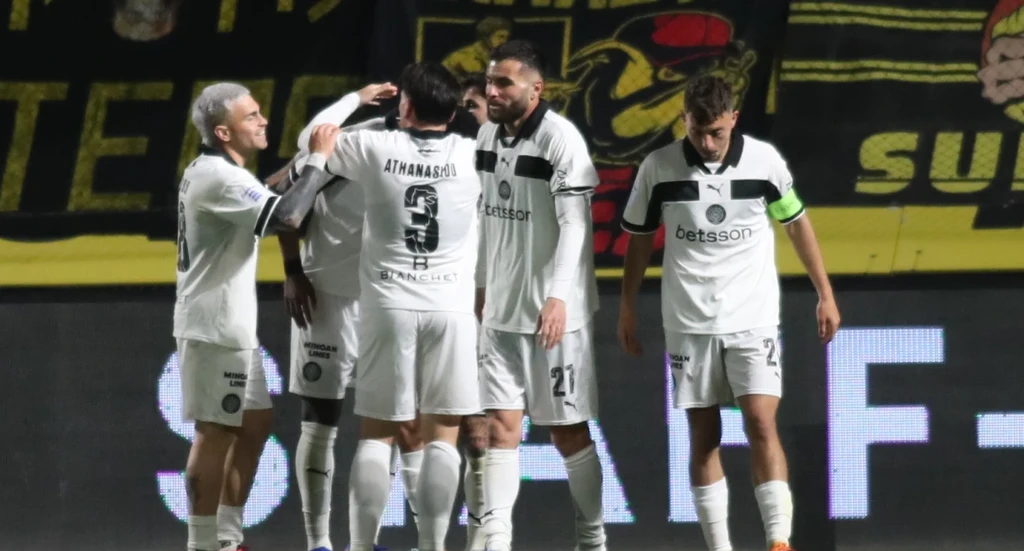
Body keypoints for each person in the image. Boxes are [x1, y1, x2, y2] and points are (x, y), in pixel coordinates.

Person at [616, 74, 842, 551]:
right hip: (688, 320)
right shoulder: (658, 167)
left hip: (752, 316)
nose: (707, 142)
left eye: (716, 132)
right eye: (698, 131)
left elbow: (796, 224)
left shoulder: (764, 162)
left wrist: (825, 292)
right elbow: (639, 239)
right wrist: (627, 306)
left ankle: (778, 541)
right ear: (684, 120)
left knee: (760, 421)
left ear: (734, 119)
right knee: (704, 435)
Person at [320, 61, 482, 551]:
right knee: (443, 438)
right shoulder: (475, 154)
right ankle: (432, 546)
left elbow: (315, 139)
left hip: (388, 305)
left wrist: (355, 99)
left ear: (405, 106)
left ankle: (360, 547)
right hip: (451, 309)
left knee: (376, 436)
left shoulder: (374, 146)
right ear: (451, 114)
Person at [174, 82, 340, 551]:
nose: (263, 120)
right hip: (213, 326)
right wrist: (318, 159)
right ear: (223, 132)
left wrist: (301, 163)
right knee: (214, 432)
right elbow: (288, 216)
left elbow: (265, 193)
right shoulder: (220, 177)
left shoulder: (218, 170)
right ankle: (202, 544)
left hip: (231, 326)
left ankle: (228, 538)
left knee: (255, 422)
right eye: (251, 116)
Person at [266, 81, 418, 551]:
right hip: (326, 296)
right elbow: (284, 196)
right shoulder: (353, 142)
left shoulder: (443, 153)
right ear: (404, 107)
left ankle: (369, 543)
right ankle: (318, 543)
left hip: (389, 301)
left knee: (392, 424)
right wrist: (292, 271)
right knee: (320, 418)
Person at [474, 39, 606, 551]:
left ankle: (592, 540)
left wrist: (558, 297)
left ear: (536, 88)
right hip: (500, 311)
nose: (492, 91)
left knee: (567, 433)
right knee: (500, 428)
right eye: (489, 82)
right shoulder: (486, 134)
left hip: (554, 318)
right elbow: (484, 218)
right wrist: (481, 285)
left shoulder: (561, 139)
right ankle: (497, 540)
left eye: (503, 83)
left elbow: (575, 224)